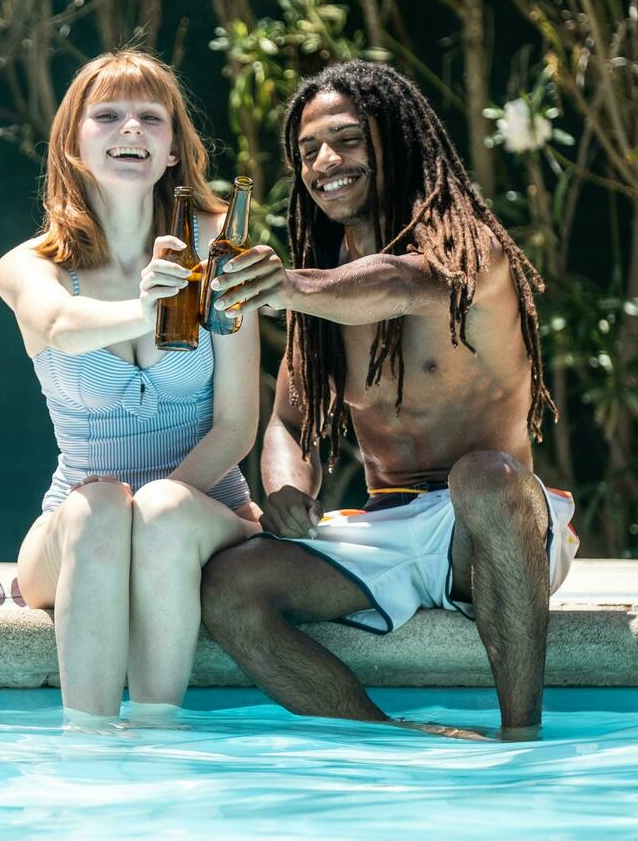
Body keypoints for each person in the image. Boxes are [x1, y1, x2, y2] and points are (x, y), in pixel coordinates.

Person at [200, 60, 578, 739]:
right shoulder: (322, 278)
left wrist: (290, 287)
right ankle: (399, 737)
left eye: (347, 140)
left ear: (397, 141)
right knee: (227, 589)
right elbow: (290, 419)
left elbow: (402, 283)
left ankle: (522, 739)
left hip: (490, 529)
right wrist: (286, 486)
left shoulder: (470, 254)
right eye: (308, 150)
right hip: (390, 528)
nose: (325, 161)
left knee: (484, 476)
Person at [0, 50, 261, 723]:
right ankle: (86, 753)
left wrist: (158, 507)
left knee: (160, 511)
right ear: (73, 145)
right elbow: (55, 324)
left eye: (151, 117)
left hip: (203, 516)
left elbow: (236, 424)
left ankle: (158, 742)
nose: (131, 129)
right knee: (101, 507)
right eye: (107, 115)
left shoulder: (220, 248)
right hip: (79, 526)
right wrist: (142, 312)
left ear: (174, 149)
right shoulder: (29, 266)